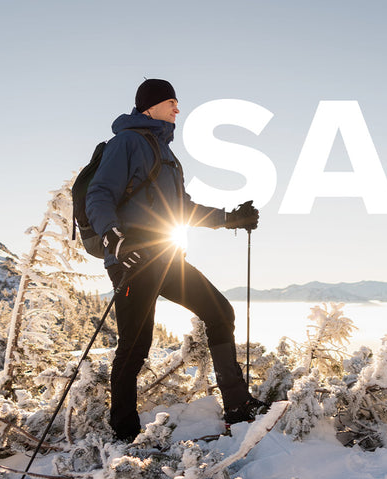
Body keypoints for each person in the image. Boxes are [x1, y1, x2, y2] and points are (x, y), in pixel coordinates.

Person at [85, 78, 265, 442]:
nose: (177, 109)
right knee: (135, 345)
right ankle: (124, 431)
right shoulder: (128, 142)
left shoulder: (165, 154)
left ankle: (237, 406)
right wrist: (115, 241)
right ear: (150, 107)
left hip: (165, 256)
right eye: (171, 102)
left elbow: (180, 209)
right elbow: (99, 193)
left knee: (219, 312)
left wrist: (229, 218)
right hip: (134, 259)